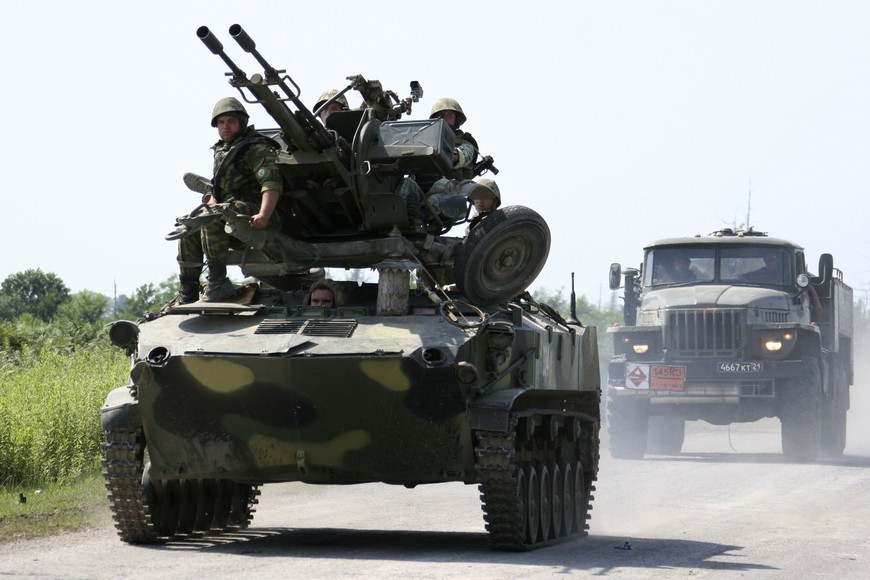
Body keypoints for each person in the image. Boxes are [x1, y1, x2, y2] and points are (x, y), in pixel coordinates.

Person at [176, 97, 284, 303]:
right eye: (221, 122)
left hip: (256, 216)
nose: (225, 126)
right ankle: (188, 289)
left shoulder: (255, 147)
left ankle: (217, 283)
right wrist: (208, 206)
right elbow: (220, 191)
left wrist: (264, 214)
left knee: (212, 216)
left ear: (241, 123)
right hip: (231, 217)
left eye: (231, 121)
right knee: (191, 225)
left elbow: (271, 183)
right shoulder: (222, 150)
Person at [429, 98, 478, 180]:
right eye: (441, 116)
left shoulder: (465, 141)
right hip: (423, 187)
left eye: (449, 115)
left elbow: (461, 156)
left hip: (451, 188)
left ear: (457, 119)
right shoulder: (426, 140)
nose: (445, 118)